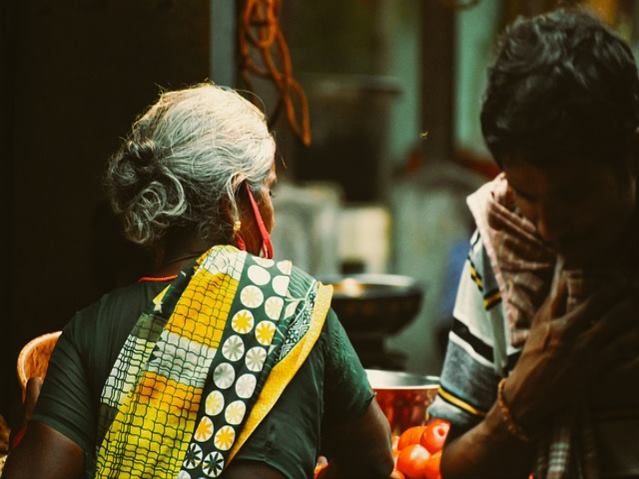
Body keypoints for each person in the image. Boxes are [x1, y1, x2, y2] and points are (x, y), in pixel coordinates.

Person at [2, 84, 393, 479]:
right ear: (236, 201)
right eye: (268, 190)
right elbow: (375, 461)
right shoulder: (292, 304)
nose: (272, 211)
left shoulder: (89, 329)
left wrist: (29, 427)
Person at [427, 9, 639, 479]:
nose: (547, 226)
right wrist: (529, 390)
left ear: (632, 155)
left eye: (574, 195)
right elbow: (455, 463)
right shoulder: (505, 241)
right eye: (528, 196)